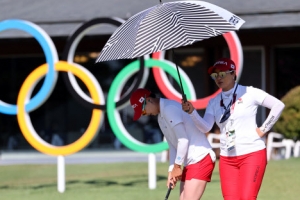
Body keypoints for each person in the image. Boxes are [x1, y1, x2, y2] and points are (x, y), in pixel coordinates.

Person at [182, 58, 285, 200]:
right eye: (215, 75)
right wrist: (192, 112)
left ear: (233, 73)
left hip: (252, 154)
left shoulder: (249, 92)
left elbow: (278, 105)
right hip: (227, 158)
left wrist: (263, 129)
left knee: (247, 197)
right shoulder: (214, 101)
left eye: (222, 74)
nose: (218, 78)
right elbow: (206, 126)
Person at [130, 88, 216, 200]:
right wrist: (171, 171)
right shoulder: (160, 118)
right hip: (189, 163)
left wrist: (177, 166)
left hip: (201, 158)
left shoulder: (169, 109)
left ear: (149, 100)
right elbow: (173, 145)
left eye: (143, 111)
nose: (144, 114)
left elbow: (183, 140)